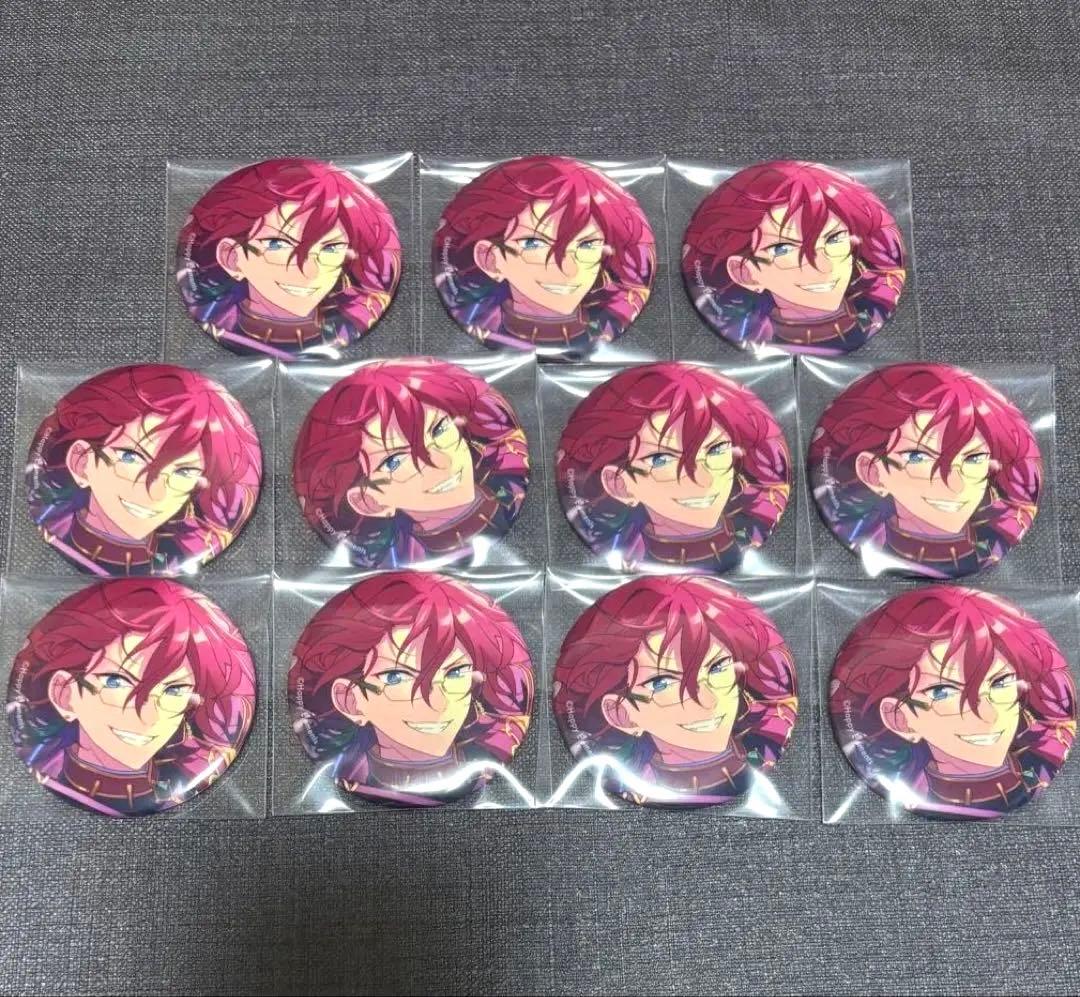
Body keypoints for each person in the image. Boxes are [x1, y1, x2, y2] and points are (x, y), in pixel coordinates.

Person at [7, 579, 256, 817]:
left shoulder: (193, 768)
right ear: (64, 693)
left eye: (174, 690)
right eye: (116, 682)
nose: (148, 717)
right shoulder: (47, 768)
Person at [288, 572, 534, 805]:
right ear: (349, 701)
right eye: (396, 677)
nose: (438, 703)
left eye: (455, 672)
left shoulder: (496, 744)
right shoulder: (347, 767)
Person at [830, 586, 1076, 818]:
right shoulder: (906, 783)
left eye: (1000, 682)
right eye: (942, 692)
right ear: (899, 718)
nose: (987, 715)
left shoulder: (1044, 757)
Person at [553, 575, 798, 806]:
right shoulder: (628, 776)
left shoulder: (768, 735)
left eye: (717, 667)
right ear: (621, 713)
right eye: (662, 683)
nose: (708, 701)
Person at [808, 363, 1041, 577]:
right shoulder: (865, 532)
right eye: (918, 457)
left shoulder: (1003, 530)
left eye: (973, 458)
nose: (955, 484)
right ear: (872, 473)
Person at [292, 358, 529, 568]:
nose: (440, 461)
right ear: (368, 501)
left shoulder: (510, 469)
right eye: (394, 461)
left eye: (439, 429)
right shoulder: (393, 555)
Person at [29, 364, 262, 576]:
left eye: (184, 472)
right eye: (131, 457)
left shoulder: (193, 544)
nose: (155, 493)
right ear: (81, 462)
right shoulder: (55, 523)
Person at [556, 362, 789, 571]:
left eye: (716, 449)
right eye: (661, 459)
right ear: (619, 484)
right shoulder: (624, 548)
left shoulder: (760, 514)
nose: (704, 480)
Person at [178, 157, 401, 356]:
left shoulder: (360, 313)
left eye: (331, 248)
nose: (310, 271)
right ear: (231, 258)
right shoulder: (216, 315)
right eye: (278, 244)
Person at [433, 155, 655, 354]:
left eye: (587, 244)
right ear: (490, 259)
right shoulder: (478, 316)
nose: (568, 269)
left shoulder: (618, 311)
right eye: (534, 243)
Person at [682, 160, 906, 354]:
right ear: (744, 273)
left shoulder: (879, 297)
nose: (823, 266)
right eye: (783, 249)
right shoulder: (749, 329)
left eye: (834, 239)